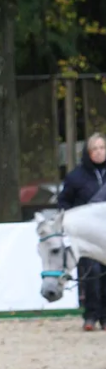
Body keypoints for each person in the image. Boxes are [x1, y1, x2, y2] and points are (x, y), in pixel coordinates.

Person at [58, 131, 106, 330]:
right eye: (94, 148)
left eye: (102, 148)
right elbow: (64, 201)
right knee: (92, 275)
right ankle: (91, 316)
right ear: (88, 152)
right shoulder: (75, 176)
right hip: (87, 237)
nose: (99, 152)